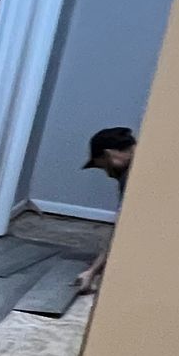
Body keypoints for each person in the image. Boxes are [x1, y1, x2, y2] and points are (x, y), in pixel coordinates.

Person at [74, 125, 135, 296]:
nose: (108, 174)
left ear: (109, 155)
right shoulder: (146, 161)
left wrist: (92, 272)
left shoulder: (131, 178)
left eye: (105, 167)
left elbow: (122, 232)